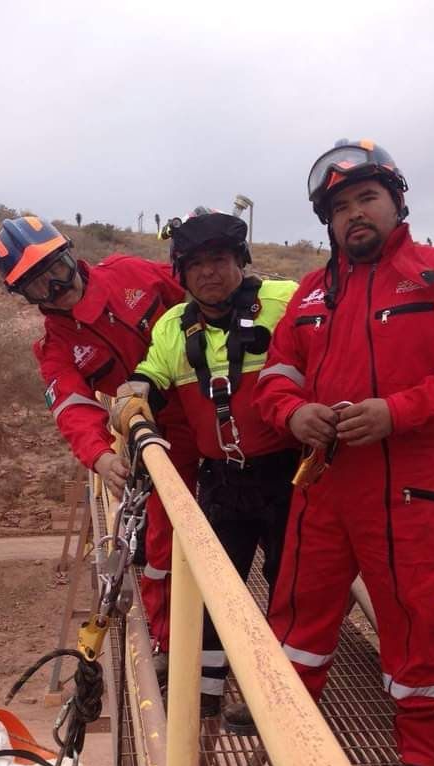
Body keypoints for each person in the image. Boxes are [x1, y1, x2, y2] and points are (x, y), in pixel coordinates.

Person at [254, 140, 434, 766]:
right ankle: (287, 730)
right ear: (327, 222)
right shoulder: (310, 292)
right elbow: (277, 375)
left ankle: (421, 758)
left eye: (366, 198)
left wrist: (397, 412)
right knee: (297, 612)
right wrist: (293, 412)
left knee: (414, 619)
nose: (354, 214)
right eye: (339, 207)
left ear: (396, 201)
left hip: (408, 484)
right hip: (323, 484)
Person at [111, 211, 299, 729]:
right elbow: (148, 375)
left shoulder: (285, 302)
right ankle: (207, 694)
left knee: (291, 587)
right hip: (222, 482)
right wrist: (132, 405)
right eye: (195, 265)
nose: (208, 273)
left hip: (289, 476)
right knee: (216, 587)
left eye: (219, 260)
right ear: (181, 274)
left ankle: (280, 696)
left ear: (241, 261)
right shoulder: (174, 327)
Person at [0, 215, 196, 650]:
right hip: (160, 445)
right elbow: (73, 408)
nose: (54, 289)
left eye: (56, 272)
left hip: (214, 416)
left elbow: (200, 298)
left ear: (70, 255)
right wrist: (102, 457)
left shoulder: (132, 274)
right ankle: (169, 643)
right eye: (36, 286)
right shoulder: (56, 349)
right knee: (163, 548)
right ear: (25, 297)